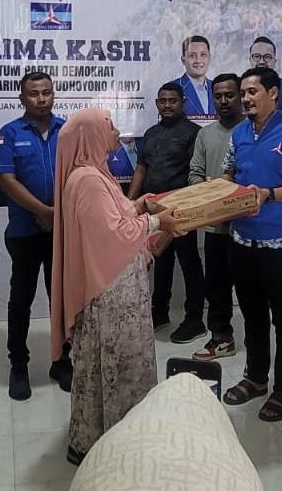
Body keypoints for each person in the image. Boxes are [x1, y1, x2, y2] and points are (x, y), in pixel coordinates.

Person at [50, 108, 187, 465]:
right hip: (111, 294)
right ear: (91, 135)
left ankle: (105, 438)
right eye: (108, 125)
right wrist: (158, 221)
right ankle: (117, 446)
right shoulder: (88, 180)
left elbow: (116, 215)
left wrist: (139, 204)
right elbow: (114, 234)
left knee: (113, 365)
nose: (115, 130)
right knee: (117, 364)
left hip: (116, 286)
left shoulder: (95, 173)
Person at [221, 67, 282, 421]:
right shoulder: (240, 133)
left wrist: (267, 195)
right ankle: (256, 378)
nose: (245, 98)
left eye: (252, 91)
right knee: (252, 313)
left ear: (273, 93)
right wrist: (218, 189)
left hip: (280, 243)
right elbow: (229, 173)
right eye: (243, 93)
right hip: (242, 240)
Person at [0, 72, 72, 401]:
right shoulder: (10, 133)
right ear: (22, 98)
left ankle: (61, 361)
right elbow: (6, 180)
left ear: (54, 94)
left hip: (62, 231)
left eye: (46, 92)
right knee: (21, 301)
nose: (41, 99)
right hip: (24, 232)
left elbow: (80, 174)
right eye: (33, 93)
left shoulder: (68, 130)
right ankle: (19, 366)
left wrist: (57, 214)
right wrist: (42, 211)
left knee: (62, 301)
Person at [128, 82, 206, 344]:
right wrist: (130, 203)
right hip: (153, 209)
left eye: (173, 100)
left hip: (181, 209)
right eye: (163, 100)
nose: (168, 105)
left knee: (189, 262)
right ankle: (159, 312)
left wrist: (191, 206)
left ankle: (195, 319)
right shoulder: (151, 134)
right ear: (157, 103)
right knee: (160, 260)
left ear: (183, 102)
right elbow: (141, 168)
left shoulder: (194, 133)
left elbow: (197, 171)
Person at [188, 73, 246, 361]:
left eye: (229, 95)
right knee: (217, 288)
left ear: (241, 96)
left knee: (250, 289)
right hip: (215, 228)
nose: (223, 101)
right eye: (218, 96)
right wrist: (208, 191)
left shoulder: (253, 131)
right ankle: (221, 338)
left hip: (248, 228)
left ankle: (257, 341)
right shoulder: (205, 135)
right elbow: (195, 174)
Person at [249, 36, 282, 117]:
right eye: (256, 56)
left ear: (274, 61)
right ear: (250, 60)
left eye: (267, 57)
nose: (262, 61)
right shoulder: (238, 88)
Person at [172, 36, 215, 117]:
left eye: (203, 55)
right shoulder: (172, 89)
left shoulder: (217, 88)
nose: (198, 60)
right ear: (183, 60)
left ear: (209, 58)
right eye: (192, 55)